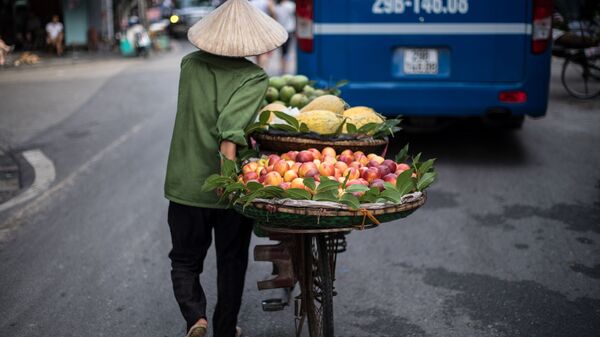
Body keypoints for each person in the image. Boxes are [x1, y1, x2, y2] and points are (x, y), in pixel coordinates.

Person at [163, 1, 288, 337]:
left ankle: (195, 317)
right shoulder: (254, 77)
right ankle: (225, 328)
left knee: (185, 260)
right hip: (228, 186)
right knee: (231, 262)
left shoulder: (188, 65)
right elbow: (229, 134)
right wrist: (228, 180)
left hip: (185, 183)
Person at [274, 0, 296, 74]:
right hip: (289, 30)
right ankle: (285, 68)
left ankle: (282, 67)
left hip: (279, 30)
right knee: (287, 51)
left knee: (281, 51)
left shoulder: (277, 6)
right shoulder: (291, 5)